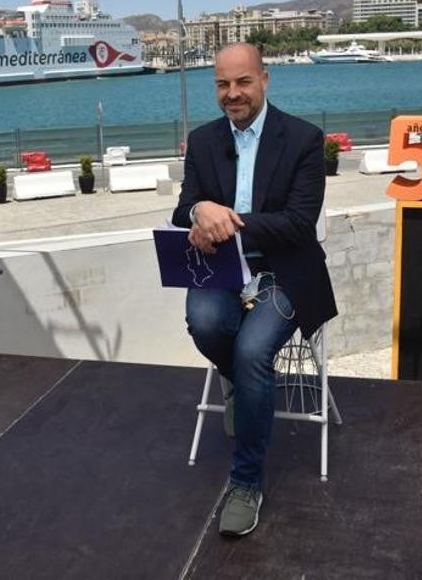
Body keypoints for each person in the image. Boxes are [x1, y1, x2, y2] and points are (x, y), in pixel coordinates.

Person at [172, 42, 337, 537]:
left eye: (243, 82)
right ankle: (241, 387)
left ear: (265, 79)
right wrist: (200, 210)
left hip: (285, 270)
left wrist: (230, 222)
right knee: (203, 322)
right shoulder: (202, 142)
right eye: (222, 84)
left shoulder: (304, 139)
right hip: (222, 269)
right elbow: (183, 210)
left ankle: (246, 483)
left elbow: (299, 222)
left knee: (251, 351)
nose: (233, 93)